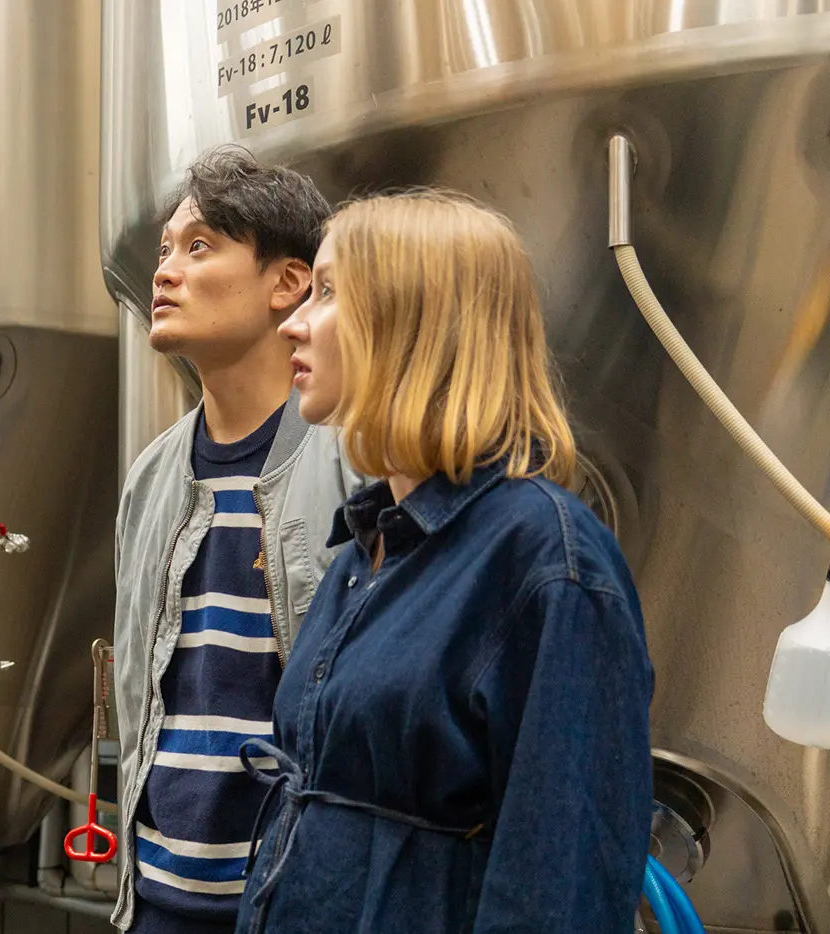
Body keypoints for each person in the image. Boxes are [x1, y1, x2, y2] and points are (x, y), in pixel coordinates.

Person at [234, 190, 654, 934]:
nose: (294, 321)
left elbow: (559, 897)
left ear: (412, 321)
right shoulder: (366, 548)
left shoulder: (546, 565)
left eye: (328, 292)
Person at [111, 146, 361, 934]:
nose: (164, 273)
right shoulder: (150, 478)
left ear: (287, 284)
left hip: (292, 903)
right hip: (155, 899)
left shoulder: (354, 463)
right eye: (162, 252)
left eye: (199, 246)